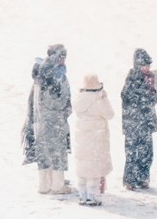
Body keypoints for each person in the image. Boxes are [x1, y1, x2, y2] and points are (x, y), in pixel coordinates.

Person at [24, 44, 71, 195]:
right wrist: (65, 107)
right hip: (54, 120)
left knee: (43, 151)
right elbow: (57, 100)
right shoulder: (54, 75)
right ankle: (57, 185)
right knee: (57, 151)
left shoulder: (41, 73)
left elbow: (33, 101)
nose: (64, 60)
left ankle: (44, 184)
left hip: (40, 121)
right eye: (62, 56)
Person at [120, 50, 157, 193]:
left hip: (146, 122)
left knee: (147, 152)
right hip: (133, 123)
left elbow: (150, 97)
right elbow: (128, 98)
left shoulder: (149, 78)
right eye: (144, 65)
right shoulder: (132, 79)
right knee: (132, 152)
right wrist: (148, 97)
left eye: (148, 65)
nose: (147, 68)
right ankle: (130, 180)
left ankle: (143, 178)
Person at [70, 69, 110, 206]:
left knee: (82, 167)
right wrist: (105, 98)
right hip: (96, 138)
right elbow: (110, 114)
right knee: (94, 167)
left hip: (81, 138)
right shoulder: (99, 100)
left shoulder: (78, 100)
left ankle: (82, 195)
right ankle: (92, 197)